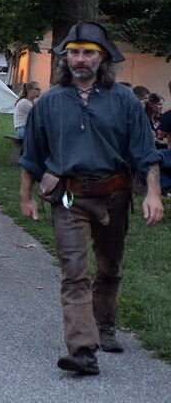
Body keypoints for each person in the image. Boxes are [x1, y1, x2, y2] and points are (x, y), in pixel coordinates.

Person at [19, 21, 163, 375]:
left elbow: (146, 151)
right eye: (74, 52)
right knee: (74, 272)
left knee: (110, 268)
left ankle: (105, 325)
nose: (80, 59)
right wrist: (26, 195)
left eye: (88, 53)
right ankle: (83, 349)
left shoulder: (124, 100)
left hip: (113, 194)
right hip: (69, 197)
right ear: (65, 57)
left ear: (102, 58)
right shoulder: (49, 102)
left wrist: (154, 193)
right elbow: (32, 155)